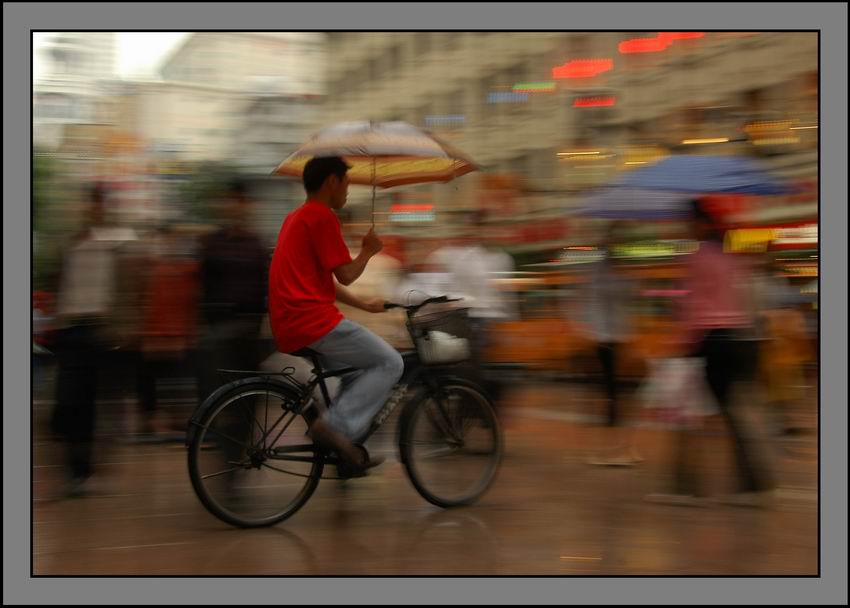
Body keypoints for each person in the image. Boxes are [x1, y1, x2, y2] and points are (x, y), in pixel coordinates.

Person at [268, 156, 403, 473]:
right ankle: (334, 428)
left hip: (291, 322)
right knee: (390, 362)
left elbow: (321, 279)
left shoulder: (295, 218)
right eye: (346, 183)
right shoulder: (322, 218)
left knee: (356, 373)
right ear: (332, 181)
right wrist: (368, 251)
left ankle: (343, 450)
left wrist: (363, 305)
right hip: (314, 322)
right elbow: (345, 274)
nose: (347, 191)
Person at [646, 199, 775, 508]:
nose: (684, 228)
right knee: (732, 415)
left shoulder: (699, 256)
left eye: (688, 222)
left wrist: (679, 345)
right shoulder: (732, 256)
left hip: (709, 342)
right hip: (739, 340)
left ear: (701, 224)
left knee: (688, 415)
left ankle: (686, 487)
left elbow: (694, 309)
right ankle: (755, 485)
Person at [51, 183, 143, 496]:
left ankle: (83, 469)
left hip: (100, 330)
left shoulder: (117, 243)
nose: (95, 208)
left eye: (100, 203)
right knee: (69, 400)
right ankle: (77, 466)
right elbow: (59, 282)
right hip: (70, 329)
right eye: (91, 203)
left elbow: (130, 288)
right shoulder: (70, 242)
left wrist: (126, 326)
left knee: (91, 403)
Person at [196, 178, 269, 404]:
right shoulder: (213, 243)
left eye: (241, 201)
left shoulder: (256, 244)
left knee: (247, 392)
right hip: (219, 326)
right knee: (217, 390)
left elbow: (264, 283)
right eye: (231, 201)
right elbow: (203, 282)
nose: (235, 206)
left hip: (249, 327)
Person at [583, 221, 643, 466]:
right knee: (611, 395)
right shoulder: (600, 271)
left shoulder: (619, 270)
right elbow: (594, 302)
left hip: (620, 337)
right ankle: (608, 448)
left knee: (623, 394)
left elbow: (627, 298)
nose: (616, 245)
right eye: (613, 241)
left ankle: (624, 446)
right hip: (606, 338)